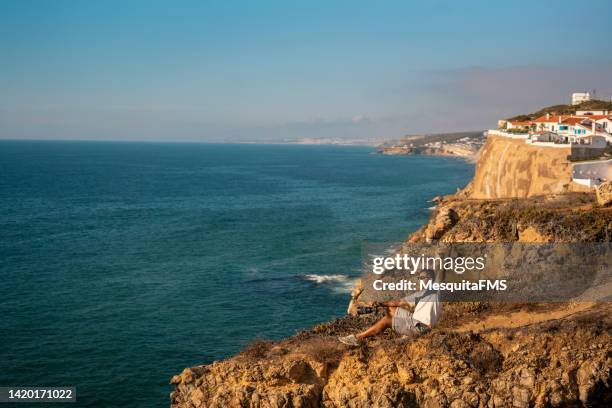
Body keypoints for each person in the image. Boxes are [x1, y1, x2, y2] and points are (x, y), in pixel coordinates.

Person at [338, 269, 441, 346]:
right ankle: (390, 330)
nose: (420, 280)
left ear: (431, 279)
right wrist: (381, 304)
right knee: (391, 310)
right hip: (415, 320)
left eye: (423, 278)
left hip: (423, 327)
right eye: (419, 278)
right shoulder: (422, 293)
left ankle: (357, 338)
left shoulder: (435, 289)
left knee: (387, 320)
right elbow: (399, 302)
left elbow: (441, 276)